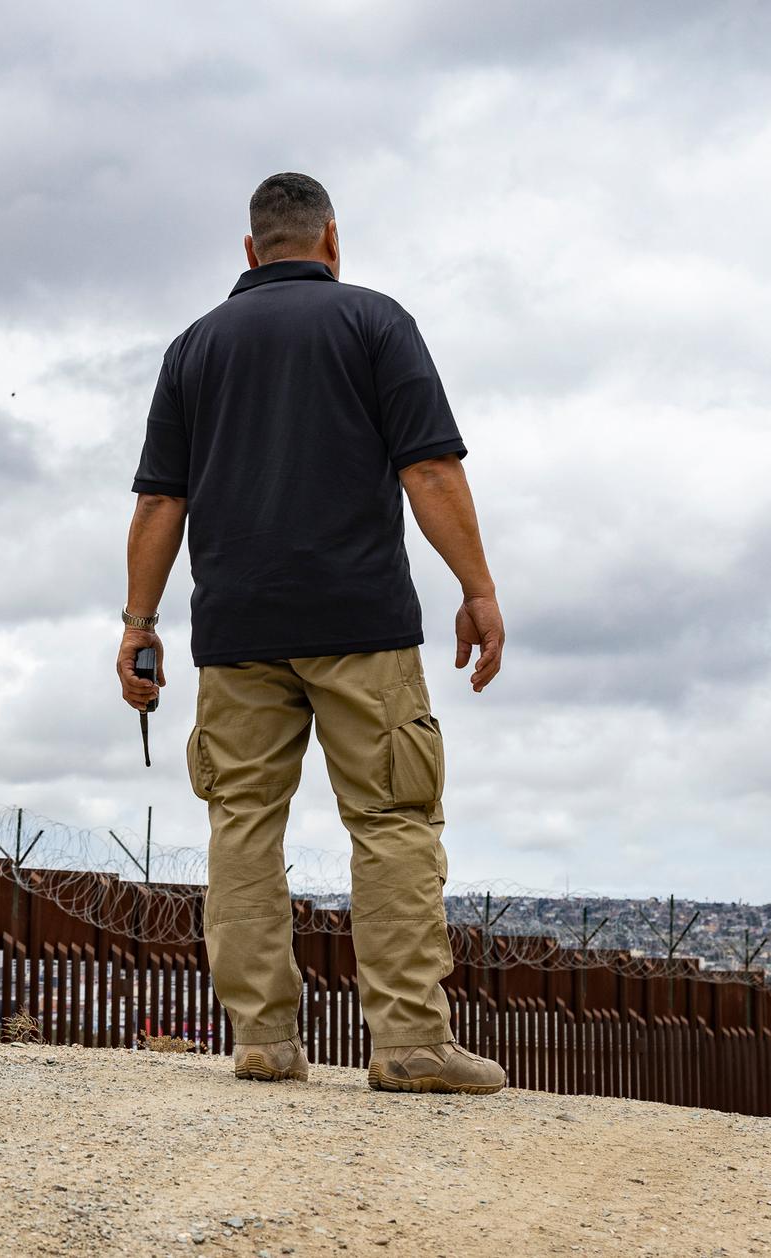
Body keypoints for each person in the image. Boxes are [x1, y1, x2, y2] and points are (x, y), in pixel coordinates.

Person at [116, 173, 507, 1095]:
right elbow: (429, 470)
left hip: (237, 630)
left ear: (251, 251)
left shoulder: (193, 348)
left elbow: (161, 499)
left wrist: (140, 624)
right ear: (332, 239)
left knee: (242, 823)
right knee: (392, 820)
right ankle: (409, 1044)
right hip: (360, 622)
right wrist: (478, 588)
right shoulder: (376, 322)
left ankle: (263, 1040)